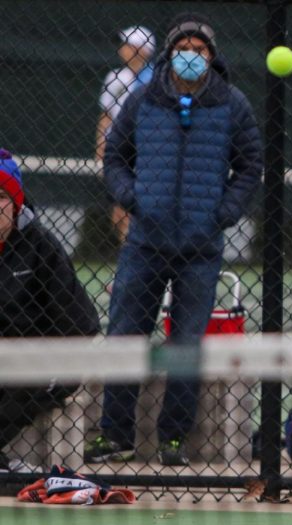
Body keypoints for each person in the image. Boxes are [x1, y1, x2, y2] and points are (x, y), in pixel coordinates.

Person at [84, 13, 263, 467]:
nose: (190, 56)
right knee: (125, 335)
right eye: (182, 48)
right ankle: (115, 436)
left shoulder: (233, 104)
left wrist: (221, 214)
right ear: (170, 53)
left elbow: (249, 167)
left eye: (198, 49)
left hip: (200, 250)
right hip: (144, 242)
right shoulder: (144, 98)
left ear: (211, 55)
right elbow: (116, 157)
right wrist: (131, 197)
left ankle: (175, 440)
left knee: (187, 345)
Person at [0, 149, 101, 472]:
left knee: (36, 382)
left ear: (15, 204)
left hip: (35, 356)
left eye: (1, 196)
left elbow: (80, 323)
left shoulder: (41, 245)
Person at [95, 25, 157, 245]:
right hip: (119, 151)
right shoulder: (115, 77)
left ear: (143, 50)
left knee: (136, 210)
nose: (123, 49)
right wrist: (101, 146)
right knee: (118, 214)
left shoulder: (156, 79)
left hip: (145, 150)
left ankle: (135, 257)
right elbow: (106, 116)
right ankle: (128, 257)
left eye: (129, 45)